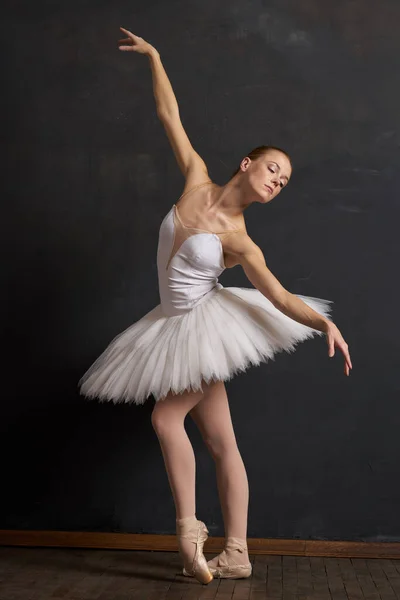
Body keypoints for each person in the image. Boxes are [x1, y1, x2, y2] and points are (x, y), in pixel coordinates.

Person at [79, 28, 353, 585]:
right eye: (274, 169)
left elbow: (276, 294)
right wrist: (156, 57)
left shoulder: (242, 241)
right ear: (248, 162)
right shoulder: (196, 179)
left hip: (202, 326)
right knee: (222, 442)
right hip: (170, 323)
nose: (279, 181)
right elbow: (169, 116)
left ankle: (189, 529)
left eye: (286, 181)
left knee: (164, 418)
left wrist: (323, 320)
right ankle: (239, 553)